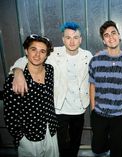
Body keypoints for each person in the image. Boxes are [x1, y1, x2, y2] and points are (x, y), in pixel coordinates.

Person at [9, 22, 93, 157]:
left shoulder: (87, 55)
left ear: (81, 39)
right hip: (59, 108)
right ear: (63, 39)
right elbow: (28, 58)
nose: (72, 41)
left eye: (75, 37)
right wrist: (17, 71)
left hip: (79, 108)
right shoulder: (54, 53)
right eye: (68, 37)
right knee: (59, 144)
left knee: (75, 141)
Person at [3, 34, 59, 157]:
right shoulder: (14, 79)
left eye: (42, 51)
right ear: (26, 51)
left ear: (46, 55)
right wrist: (20, 137)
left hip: (50, 130)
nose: (37, 55)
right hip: (29, 134)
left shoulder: (50, 70)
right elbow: (10, 114)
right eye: (33, 49)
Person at [89, 20, 122, 157]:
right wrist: (93, 109)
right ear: (103, 40)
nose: (111, 37)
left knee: (118, 151)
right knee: (98, 148)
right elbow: (92, 85)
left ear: (119, 35)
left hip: (121, 115)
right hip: (99, 114)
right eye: (106, 35)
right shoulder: (96, 60)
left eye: (113, 33)